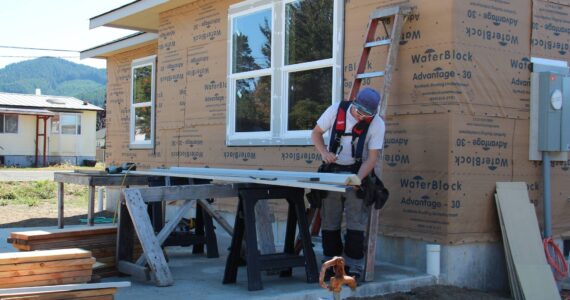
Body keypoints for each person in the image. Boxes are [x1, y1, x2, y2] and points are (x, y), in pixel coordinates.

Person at [310, 87, 386, 280]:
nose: (361, 118)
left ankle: (354, 265)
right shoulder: (336, 110)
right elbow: (316, 133)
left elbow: (372, 158)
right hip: (332, 172)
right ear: (354, 103)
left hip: (357, 172)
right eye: (359, 112)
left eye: (367, 115)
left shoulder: (377, 124)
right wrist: (324, 153)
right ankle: (332, 264)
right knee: (330, 219)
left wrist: (358, 179)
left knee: (355, 220)